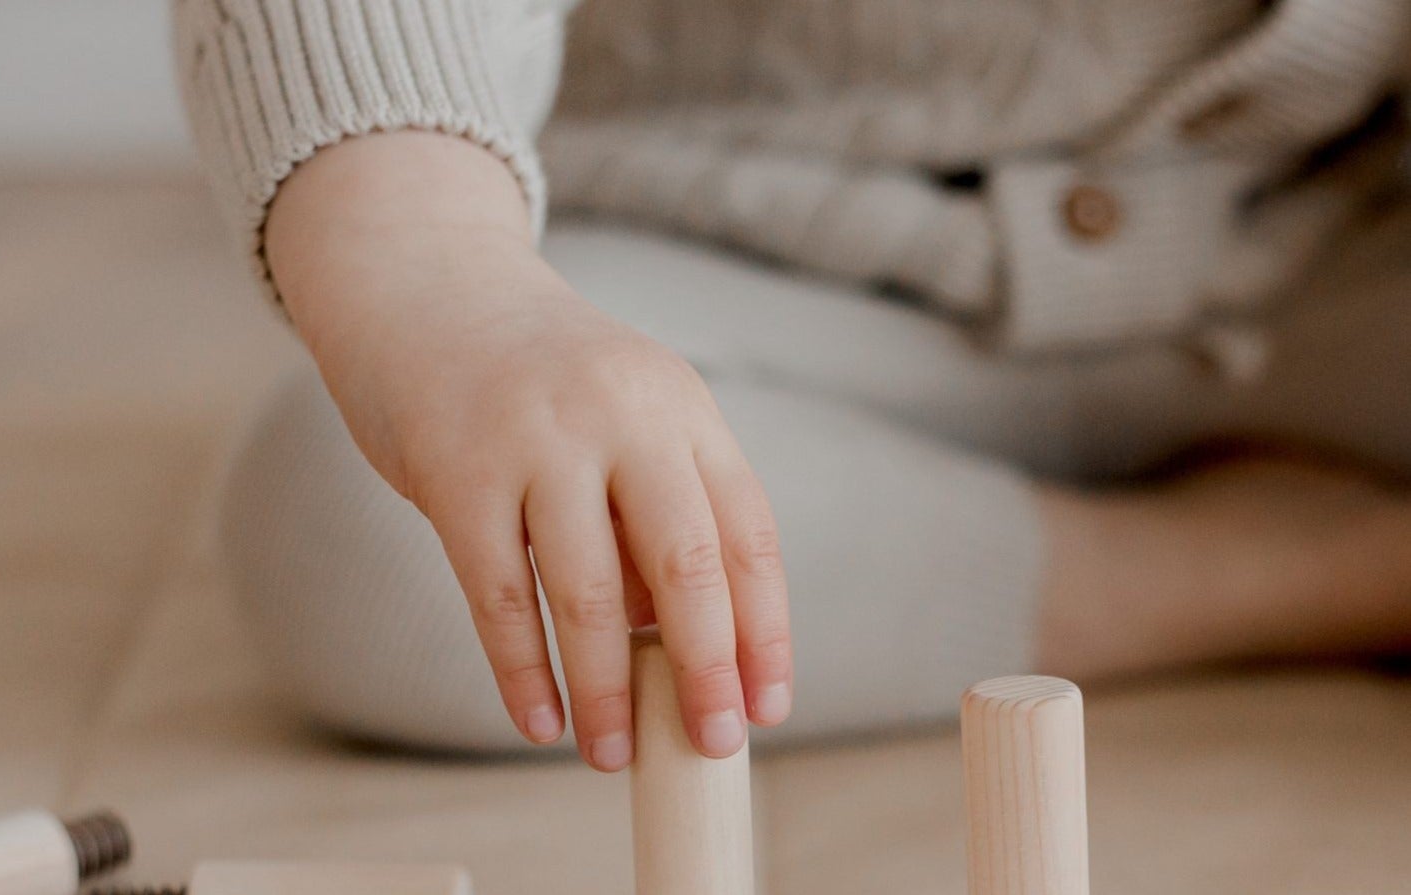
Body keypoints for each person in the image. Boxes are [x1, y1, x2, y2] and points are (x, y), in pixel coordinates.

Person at [172, 0, 1411, 766]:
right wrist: (441, 278)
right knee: (364, 533)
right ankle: (1299, 576)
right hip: (739, 276)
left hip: (1309, 259)